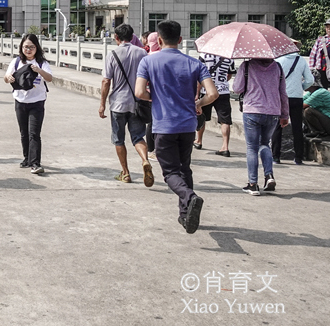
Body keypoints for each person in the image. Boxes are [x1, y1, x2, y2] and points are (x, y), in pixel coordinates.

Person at [135, 20, 217, 234]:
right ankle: (185, 215)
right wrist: (198, 103)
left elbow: (139, 92)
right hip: (188, 125)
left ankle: (190, 198)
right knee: (185, 168)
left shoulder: (148, 62)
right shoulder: (195, 64)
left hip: (164, 125)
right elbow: (213, 94)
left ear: (159, 40)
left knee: (170, 171)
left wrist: (156, 97)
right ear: (180, 40)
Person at [99, 24, 154, 187]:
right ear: (132, 37)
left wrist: (102, 103)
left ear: (116, 37)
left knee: (118, 139)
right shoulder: (143, 53)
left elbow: (106, 81)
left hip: (118, 104)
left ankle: (126, 173)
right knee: (138, 137)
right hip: (138, 102)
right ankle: (145, 160)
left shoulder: (112, 54)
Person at [233, 57, 290, 195]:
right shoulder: (277, 67)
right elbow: (283, 93)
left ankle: (253, 184)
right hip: (273, 111)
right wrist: (285, 115)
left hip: (252, 110)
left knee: (252, 147)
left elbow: (237, 88)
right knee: (265, 144)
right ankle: (269, 176)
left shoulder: (246, 66)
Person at [4, 34, 54, 175]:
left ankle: (35, 163)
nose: (29, 49)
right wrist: (8, 77)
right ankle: (27, 158)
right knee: (23, 133)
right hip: (20, 101)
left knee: (34, 133)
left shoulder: (42, 63)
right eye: (26, 47)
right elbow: (6, 78)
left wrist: (39, 70)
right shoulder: (16, 62)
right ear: (21, 47)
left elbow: (49, 79)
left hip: (37, 102)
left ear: (37, 48)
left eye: (32, 47)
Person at [272, 46, 314, 164]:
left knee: (277, 127)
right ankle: (298, 157)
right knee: (297, 128)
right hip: (296, 97)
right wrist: (301, 88)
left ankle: (276, 156)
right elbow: (310, 80)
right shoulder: (301, 60)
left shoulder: (278, 61)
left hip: (281, 97)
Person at [195, 53, 235, 157]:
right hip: (223, 91)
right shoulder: (229, 56)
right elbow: (229, 74)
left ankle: (198, 141)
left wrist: (197, 93)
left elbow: (199, 76)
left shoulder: (204, 56)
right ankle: (225, 147)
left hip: (207, 91)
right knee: (225, 120)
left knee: (201, 115)